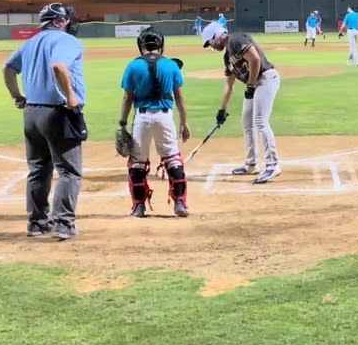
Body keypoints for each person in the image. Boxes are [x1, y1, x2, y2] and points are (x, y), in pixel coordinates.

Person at [2, 3, 87, 240]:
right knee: (70, 171)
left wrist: (17, 96)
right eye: (66, 20)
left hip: (31, 113)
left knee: (38, 170)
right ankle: (63, 223)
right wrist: (71, 97)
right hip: (57, 112)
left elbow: (8, 69)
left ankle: (37, 223)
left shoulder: (30, 42)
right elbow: (59, 66)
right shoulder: (66, 41)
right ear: (59, 21)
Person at [117, 27, 191, 218]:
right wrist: (184, 122)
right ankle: (180, 204)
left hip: (142, 118)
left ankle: (139, 207)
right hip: (165, 117)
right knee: (173, 160)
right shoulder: (171, 66)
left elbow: (127, 98)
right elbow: (179, 96)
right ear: (161, 45)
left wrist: (123, 122)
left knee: (137, 163)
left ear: (141, 46)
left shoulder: (133, 66)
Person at [200, 21, 282, 184]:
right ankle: (252, 164)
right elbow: (229, 85)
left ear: (216, 36)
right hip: (255, 84)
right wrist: (222, 110)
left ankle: (273, 164)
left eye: (210, 42)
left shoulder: (235, 40)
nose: (212, 46)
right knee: (247, 121)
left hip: (265, 79)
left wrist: (250, 85)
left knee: (260, 121)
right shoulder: (227, 58)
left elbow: (255, 59)